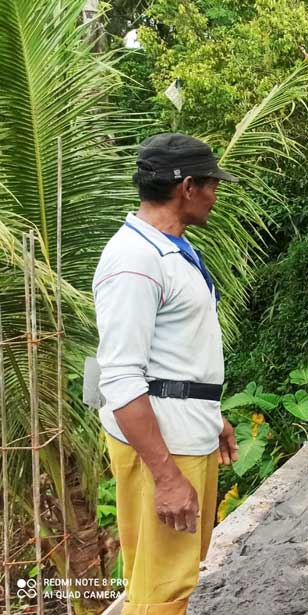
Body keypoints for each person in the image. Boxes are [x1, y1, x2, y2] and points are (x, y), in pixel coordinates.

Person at [93, 134, 239, 615]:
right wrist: (167, 477)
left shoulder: (166, 249)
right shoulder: (135, 262)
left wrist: (210, 414)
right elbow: (120, 378)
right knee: (163, 589)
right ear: (189, 187)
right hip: (164, 446)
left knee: (173, 577)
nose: (216, 196)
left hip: (183, 429)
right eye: (212, 185)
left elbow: (174, 355)